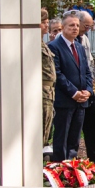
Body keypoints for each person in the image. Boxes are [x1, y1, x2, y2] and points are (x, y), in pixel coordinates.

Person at [48, 11, 92, 161]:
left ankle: (71, 167)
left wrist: (88, 91)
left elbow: (86, 71)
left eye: (77, 25)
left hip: (81, 101)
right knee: (62, 137)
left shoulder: (79, 47)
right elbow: (57, 74)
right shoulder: (54, 47)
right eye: (71, 25)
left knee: (74, 139)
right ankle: (59, 168)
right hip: (65, 100)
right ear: (63, 27)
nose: (75, 28)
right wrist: (74, 92)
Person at [76, 10, 95, 164]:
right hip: (72, 93)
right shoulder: (61, 42)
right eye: (86, 26)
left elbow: (88, 64)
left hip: (87, 90)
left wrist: (90, 89)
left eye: (91, 27)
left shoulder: (84, 39)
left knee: (91, 130)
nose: (88, 29)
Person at [40, 9, 56, 147]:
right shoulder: (32, 43)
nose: (46, 25)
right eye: (44, 22)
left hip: (48, 92)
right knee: (41, 131)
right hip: (41, 92)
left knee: (46, 130)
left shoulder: (42, 43)